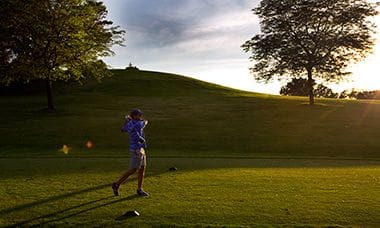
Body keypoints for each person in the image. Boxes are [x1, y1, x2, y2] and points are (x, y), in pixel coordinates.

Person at [112, 108, 149, 196]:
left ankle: (139, 189)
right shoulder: (138, 124)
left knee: (142, 168)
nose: (140, 116)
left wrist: (127, 121)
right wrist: (132, 120)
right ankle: (116, 184)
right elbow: (146, 122)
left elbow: (122, 129)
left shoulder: (130, 123)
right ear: (134, 116)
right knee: (133, 169)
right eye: (139, 115)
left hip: (140, 148)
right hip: (136, 149)